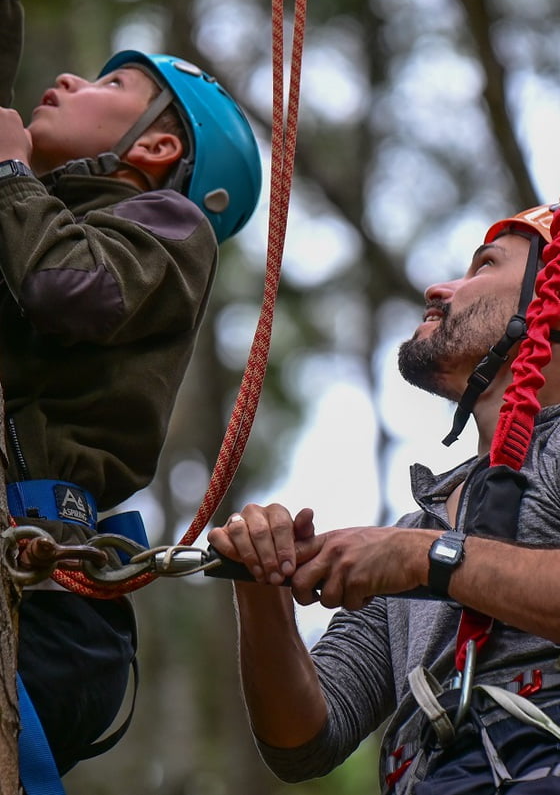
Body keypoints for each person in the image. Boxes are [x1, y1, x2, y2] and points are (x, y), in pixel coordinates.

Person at [0, 0, 262, 781]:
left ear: (154, 148)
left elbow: (68, 287)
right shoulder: (37, 212)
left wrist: (10, 174)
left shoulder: (169, 229)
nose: (70, 79)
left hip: (50, 601)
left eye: (108, 87)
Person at [209, 201, 560, 792]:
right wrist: (260, 585)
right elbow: (305, 739)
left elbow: (421, 558)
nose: (438, 289)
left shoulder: (412, 547)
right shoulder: (417, 528)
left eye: (485, 265)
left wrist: (424, 559)